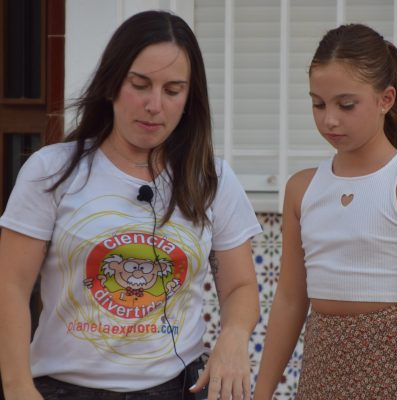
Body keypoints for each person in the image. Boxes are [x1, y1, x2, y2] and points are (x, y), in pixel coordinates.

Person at [0, 10, 262, 400]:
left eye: (173, 91)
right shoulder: (51, 170)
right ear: (111, 84)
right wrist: (18, 386)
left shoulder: (212, 179)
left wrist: (235, 336)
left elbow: (240, 285)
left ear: (190, 98)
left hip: (178, 388)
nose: (154, 104)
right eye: (140, 85)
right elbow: (11, 284)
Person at [253, 23, 397, 399]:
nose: (329, 119)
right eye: (318, 104)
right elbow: (289, 299)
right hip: (322, 368)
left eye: (346, 105)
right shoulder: (302, 189)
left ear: (386, 100)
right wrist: (262, 392)